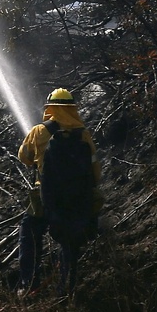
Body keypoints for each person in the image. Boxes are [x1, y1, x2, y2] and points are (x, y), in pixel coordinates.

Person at [17, 88, 103, 297]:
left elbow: (24, 157)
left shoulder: (39, 131)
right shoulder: (83, 134)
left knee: (29, 233)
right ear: (73, 108)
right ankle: (66, 289)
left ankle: (28, 284)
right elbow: (96, 173)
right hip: (75, 199)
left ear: (50, 108)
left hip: (45, 198)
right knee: (69, 241)